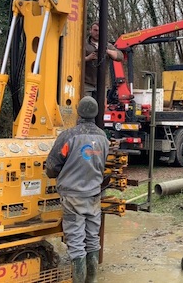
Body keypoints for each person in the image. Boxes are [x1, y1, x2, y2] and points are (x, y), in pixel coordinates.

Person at [46, 96, 109, 282]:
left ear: (78, 112)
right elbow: (101, 163)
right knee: (92, 239)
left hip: (73, 197)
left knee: (75, 242)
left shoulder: (68, 136)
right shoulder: (103, 138)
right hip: (94, 195)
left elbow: (52, 167)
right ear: (95, 113)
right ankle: (92, 280)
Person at [84, 22, 123, 97]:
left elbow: (120, 56)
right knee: (87, 106)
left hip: (102, 84)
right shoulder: (83, 44)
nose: (98, 33)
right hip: (86, 83)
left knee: (101, 107)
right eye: (95, 30)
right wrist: (88, 58)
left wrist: (107, 51)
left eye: (100, 31)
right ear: (90, 30)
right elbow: (75, 61)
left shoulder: (107, 45)